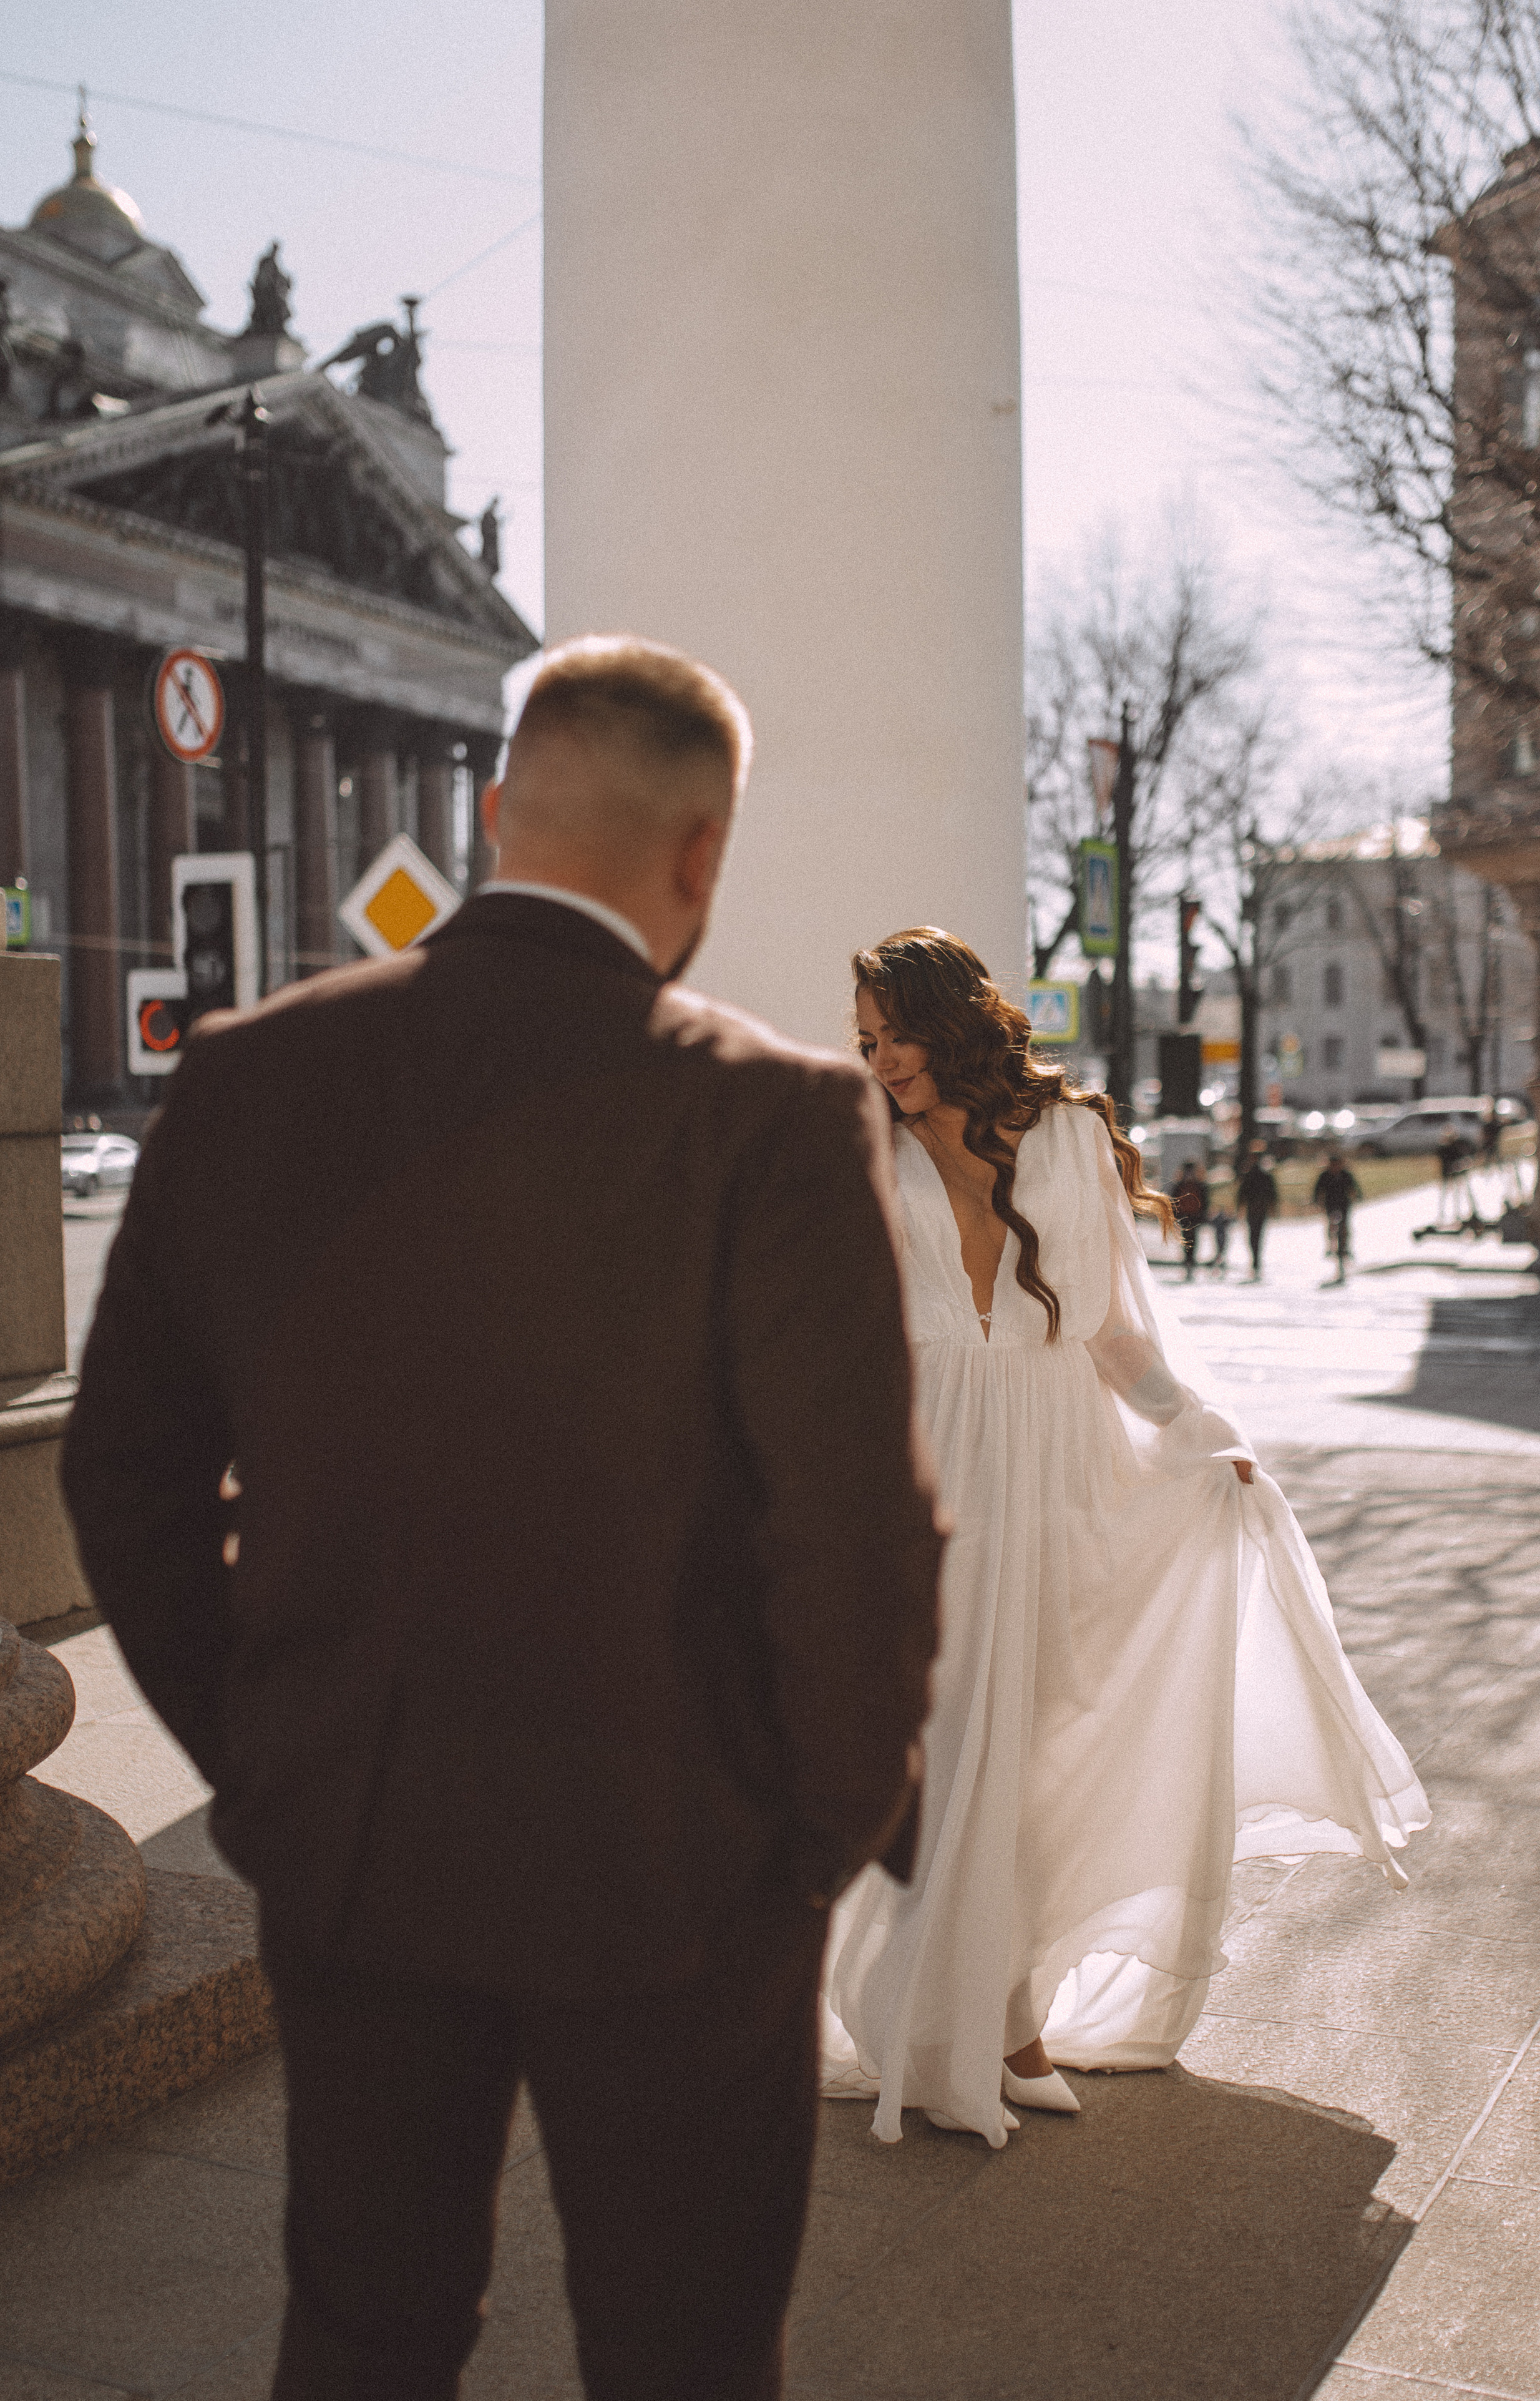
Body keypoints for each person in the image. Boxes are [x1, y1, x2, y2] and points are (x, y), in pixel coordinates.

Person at [61, 638, 943, 2401]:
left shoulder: (246, 1073)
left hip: (356, 1835)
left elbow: (122, 1472)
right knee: (686, 2351)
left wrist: (267, 1752)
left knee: (365, 2327)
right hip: (686, 1858)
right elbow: (854, 1537)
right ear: (702, 850)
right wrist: (813, 1836)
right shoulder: (770, 1114)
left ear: (488, 816)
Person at [821, 929, 1427, 2149]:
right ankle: (978, 2027)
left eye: (895, 1033)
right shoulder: (860, 1146)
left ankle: (999, 2014)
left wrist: (1198, 1432)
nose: (879, 1059)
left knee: (1034, 1760)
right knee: (945, 1757)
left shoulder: (1065, 1137)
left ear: (954, 1019)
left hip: (1059, 1474)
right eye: (866, 1040)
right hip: (926, 1478)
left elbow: (1110, 1331)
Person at [1313, 1148, 1362, 1281]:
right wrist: (1317, 1201)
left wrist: (1357, 1196)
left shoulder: (1346, 1175)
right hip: (1331, 1204)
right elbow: (1318, 1190)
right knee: (1331, 1224)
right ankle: (1331, 1244)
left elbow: (1354, 1187)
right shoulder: (1325, 1176)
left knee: (1344, 1226)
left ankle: (1345, 1248)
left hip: (1343, 1204)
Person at [1236, 1141, 1279, 1280]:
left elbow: (1271, 1193)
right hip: (1253, 1210)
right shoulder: (1249, 1175)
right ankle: (1255, 1260)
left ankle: (1256, 1261)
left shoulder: (1263, 1175)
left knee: (1256, 1236)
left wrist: (1272, 1207)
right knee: (1253, 1236)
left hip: (1260, 1210)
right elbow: (1242, 1194)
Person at [1170, 1157, 1209, 1279]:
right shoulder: (1180, 1185)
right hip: (1184, 1215)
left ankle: (1191, 1260)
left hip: (1195, 1215)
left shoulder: (1200, 1185)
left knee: (1193, 1238)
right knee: (1186, 1237)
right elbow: (1174, 1200)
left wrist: (1203, 1215)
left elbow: (1204, 1201)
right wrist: (1174, 1214)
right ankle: (1188, 1259)